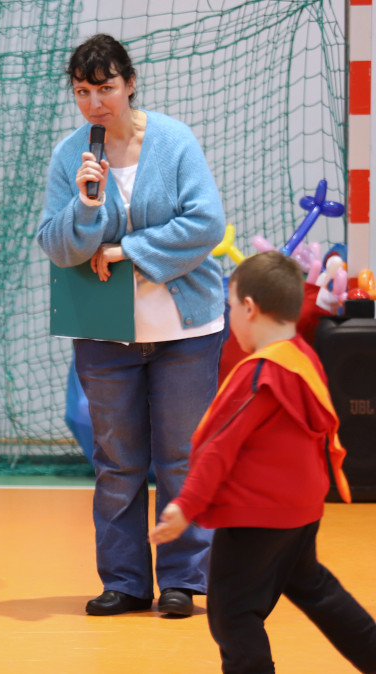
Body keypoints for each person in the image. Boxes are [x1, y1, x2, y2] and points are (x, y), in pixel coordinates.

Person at [36, 34, 226, 617]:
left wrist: (128, 251)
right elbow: (55, 243)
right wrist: (87, 206)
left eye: (106, 88)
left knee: (181, 459)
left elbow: (207, 224)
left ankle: (183, 580)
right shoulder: (72, 156)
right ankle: (124, 581)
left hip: (186, 332)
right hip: (105, 335)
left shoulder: (172, 141)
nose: (95, 102)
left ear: (130, 83)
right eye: (83, 91)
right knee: (116, 465)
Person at [150, 251, 376, 673]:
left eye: (230, 305)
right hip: (302, 511)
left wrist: (185, 506)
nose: (231, 315)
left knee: (232, 613)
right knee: (315, 588)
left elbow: (218, 446)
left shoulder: (259, 375)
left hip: (258, 517)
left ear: (249, 308)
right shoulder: (304, 358)